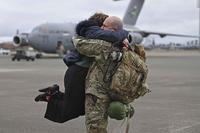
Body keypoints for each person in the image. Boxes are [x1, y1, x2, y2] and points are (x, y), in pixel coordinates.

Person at [34, 13, 129, 123]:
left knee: (80, 107)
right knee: (70, 110)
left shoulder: (97, 34)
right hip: (77, 74)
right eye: (102, 25)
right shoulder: (93, 33)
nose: (103, 28)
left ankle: (53, 94)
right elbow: (111, 38)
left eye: (105, 26)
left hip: (82, 74)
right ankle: (52, 96)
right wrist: (124, 35)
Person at [73, 16, 131, 133]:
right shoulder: (126, 47)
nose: (101, 28)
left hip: (97, 94)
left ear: (114, 30)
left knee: (95, 127)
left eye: (104, 26)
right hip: (112, 91)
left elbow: (80, 44)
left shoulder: (104, 46)